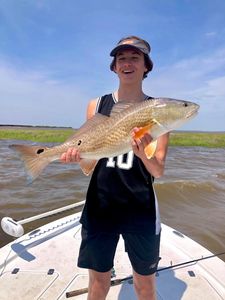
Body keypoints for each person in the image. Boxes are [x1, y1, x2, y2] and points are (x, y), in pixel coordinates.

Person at [61, 36, 169, 300]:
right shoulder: (96, 106)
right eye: (122, 58)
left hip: (140, 207)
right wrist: (77, 155)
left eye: (135, 57)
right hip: (101, 205)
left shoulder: (159, 110)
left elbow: (157, 171)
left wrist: (143, 154)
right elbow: (91, 155)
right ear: (114, 67)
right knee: (98, 282)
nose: (127, 63)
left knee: (145, 284)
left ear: (146, 66)